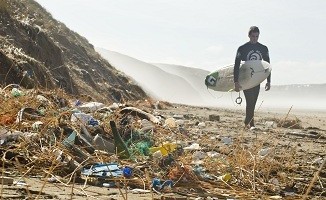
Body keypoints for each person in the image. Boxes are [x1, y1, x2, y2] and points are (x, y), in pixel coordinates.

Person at [233, 26, 271, 129]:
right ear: (249, 35)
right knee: (250, 101)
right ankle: (251, 124)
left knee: (253, 102)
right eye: (253, 36)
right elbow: (236, 65)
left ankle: (247, 121)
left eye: (257, 36)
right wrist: (236, 81)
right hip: (246, 79)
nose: (255, 38)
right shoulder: (242, 48)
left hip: (256, 80)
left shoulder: (263, 48)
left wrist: (268, 81)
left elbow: (268, 66)